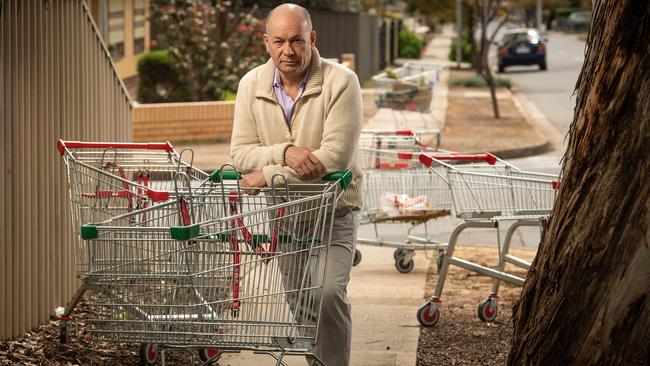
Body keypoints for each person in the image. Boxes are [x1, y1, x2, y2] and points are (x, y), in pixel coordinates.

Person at [229, 3, 363, 365]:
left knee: (328, 294)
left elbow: (333, 157)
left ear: (312, 39)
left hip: (334, 210)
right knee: (303, 303)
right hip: (285, 214)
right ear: (266, 43)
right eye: (279, 41)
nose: (288, 51)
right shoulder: (251, 84)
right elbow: (241, 153)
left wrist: (268, 174)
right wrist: (285, 153)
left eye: (297, 41)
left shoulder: (341, 82)